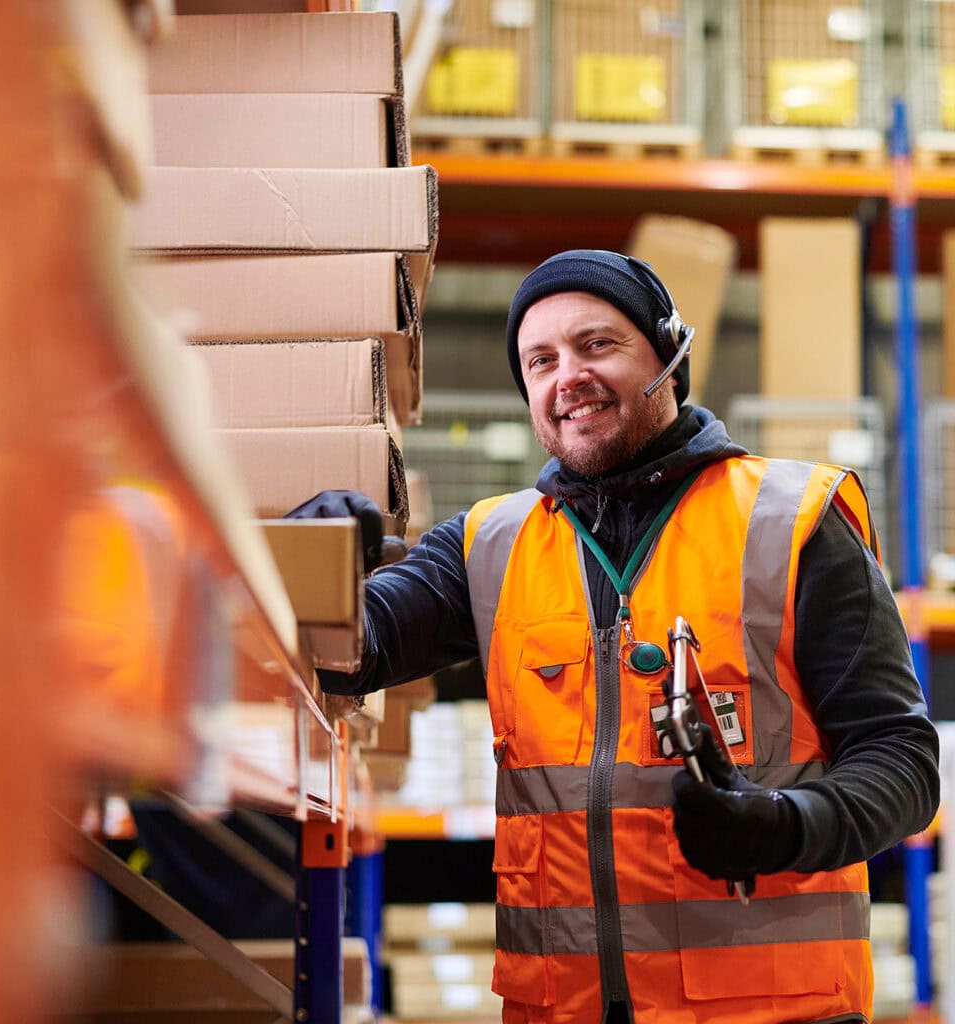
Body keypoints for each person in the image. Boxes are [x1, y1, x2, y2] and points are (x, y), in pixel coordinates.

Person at [293, 250, 940, 1024]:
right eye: (541, 360)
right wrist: (317, 561)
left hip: (768, 1010)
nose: (568, 375)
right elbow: (348, 650)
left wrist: (787, 827)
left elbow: (902, 763)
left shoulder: (791, 522)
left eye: (597, 344)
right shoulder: (488, 545)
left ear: (669, 355)